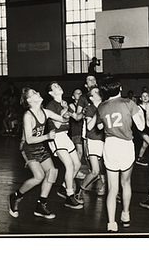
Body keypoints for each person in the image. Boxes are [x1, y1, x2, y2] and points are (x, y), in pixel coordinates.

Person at [8, 87, 70, 219]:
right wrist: (48, 136)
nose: (38, 92)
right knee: (39, 176)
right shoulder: (28, 116)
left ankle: (40, 205)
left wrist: (66, 111)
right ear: (29, 100)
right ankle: (15, 197)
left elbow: (63, 119)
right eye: (35, 93)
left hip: (40, 146)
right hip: (27, 148)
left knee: (52, 172)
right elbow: (29, 140)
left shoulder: (45, 112)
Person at [97, 74, 145, 233]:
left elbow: (98, 127)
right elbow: (141, 126)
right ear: (120, 88)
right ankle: (125, 214)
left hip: (110, 145)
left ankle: (111, 223)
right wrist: (142, 112)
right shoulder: (129, 103)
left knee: (112, 188)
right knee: (126, 183)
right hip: (125, 146)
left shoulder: (102, 106)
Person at [45, 81, 84, 209]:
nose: (59, 86)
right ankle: (69, 196)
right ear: (51, 93)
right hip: (56, 137)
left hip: (65, 136)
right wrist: (65, 110)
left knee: (77, 164)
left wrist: (66, 110)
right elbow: (56, 125)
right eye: (55, 86)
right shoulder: (51, 105)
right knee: (68, 165)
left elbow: (68, 119)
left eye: (58, 85)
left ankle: (63, 187)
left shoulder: (63, 103)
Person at [76, 86, 106, 203]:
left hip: (105, 140)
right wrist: (98, 111)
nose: (97, 92)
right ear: (91, 97)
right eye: (94, 91)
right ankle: (80, 190)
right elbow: (89, 126)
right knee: (95, 171)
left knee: (107, 168)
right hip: (93, 140)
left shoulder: (105, 106)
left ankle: (110, 189)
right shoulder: (89, 109)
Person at [135, 91, 149, 166]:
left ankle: (139, 158)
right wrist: (148, 112)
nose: (145, 97)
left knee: (145, 145)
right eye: (143, 96)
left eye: (146, 95)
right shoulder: (138, 108)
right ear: (140, 98)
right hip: (142, 130)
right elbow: (141, 121)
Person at [69, 88, 86, 180]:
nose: (79, 94)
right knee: (79, 152)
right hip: (76, 131)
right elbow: (76, 117)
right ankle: (76, 171)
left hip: (84, 130)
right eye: (77, 93)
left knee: (83, 152)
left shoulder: (84, 103)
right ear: (73, 96)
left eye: (80, 93)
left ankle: (76, 170)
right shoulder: (71, 105)